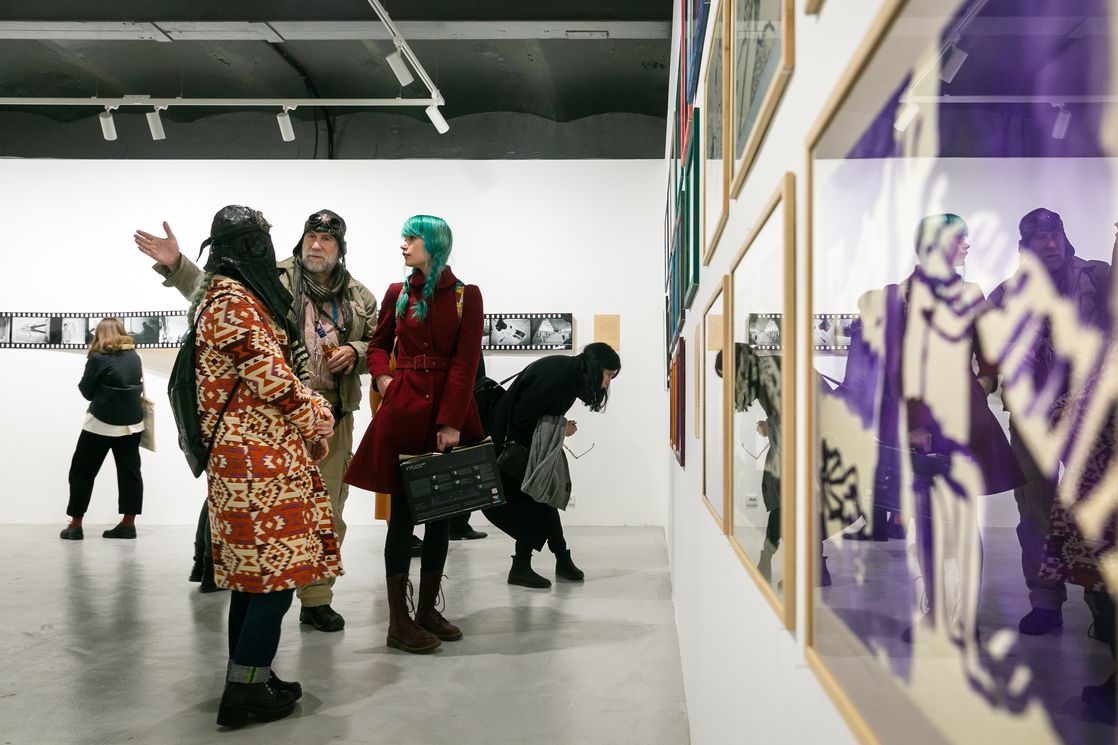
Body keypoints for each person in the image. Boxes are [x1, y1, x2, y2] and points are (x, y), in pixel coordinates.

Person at [136, 211, 376, 626]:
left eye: (326, 239)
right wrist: (177, 266)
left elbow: (380, 345)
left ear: (340, 248)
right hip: (273, 415)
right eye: (311, 235)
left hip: (332, 412)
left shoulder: (359, 296)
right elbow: (218, 295)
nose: (316, 244)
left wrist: (356, 352)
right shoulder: (270, 276)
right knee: (267, 515)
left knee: (328, 507)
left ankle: (316, 598)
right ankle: (254, 592)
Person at [189, 205, 341, 728]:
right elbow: (272, 380)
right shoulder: (232, 302)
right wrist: (318, 416)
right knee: (275, 580)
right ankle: (245, 692)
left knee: (254, 581)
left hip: (255, 458)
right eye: (261, 240)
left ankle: (250, 676)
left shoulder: (227, 296)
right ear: (249, 247)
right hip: (256, 466)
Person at [345, 214, 484, 654]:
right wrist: (384, 379)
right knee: (402, 519)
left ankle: (427, 611)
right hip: (403, 411)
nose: (403, 245)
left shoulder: (466, 296)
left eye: (411, 238)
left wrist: (451, 421)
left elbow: (466, 362)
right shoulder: (397, 292)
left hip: (446, 413)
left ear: (434, 244)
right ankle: (398, 621)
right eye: (403, 237)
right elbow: (378, 345)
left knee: (442, 514)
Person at [987, 207, 1112, 637]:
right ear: (1025, 246)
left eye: (1056, 234)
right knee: (1036, 513)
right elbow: (983, 346)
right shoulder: (1007, 294)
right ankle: (1045, 602)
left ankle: (1103, 606)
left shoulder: (1097, 276)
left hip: (1088, 416)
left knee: (1095, 511)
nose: (1052, 243)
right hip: (1031, 420)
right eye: (1041, 238)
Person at [483, 342, 621, 589]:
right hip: (511, 449)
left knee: (542, 498)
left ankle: (558, 560)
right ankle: (524, 567)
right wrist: (561, 428)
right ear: (596, 367)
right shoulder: (559, 378)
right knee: (536, 503)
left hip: (522, 447)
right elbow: (523, 418)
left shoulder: (568, 374)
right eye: (608, 374)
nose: (608, 382)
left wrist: (558, 426)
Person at [60, 317, 145, 540]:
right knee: (130, 474)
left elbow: (87, 391)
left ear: (99, 334)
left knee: (82, 472)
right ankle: (128, 524)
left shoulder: (97, 358)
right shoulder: (135, 356)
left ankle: (75, 525)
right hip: (132, 424)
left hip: (101, 423)